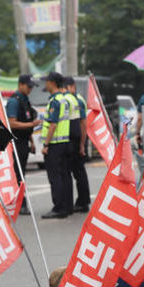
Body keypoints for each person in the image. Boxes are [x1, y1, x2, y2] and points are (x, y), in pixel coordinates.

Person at [6, 74, 42, 215]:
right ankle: (20, 204)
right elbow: (12, 122)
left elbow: (27, 125)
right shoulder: (14, 101)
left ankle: (21, 202)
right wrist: (32, 124)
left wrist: (32, 141)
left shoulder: (25, 100)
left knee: (22, 174)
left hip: (24, 141)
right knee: (18, 174)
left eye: (32, 87)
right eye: (28, 86)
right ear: (20, 84)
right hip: (16, 142)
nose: (30, 89)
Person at [40, 72, 72, 219]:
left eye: (47, 81)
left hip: (55, 144)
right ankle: (66, 207)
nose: (45, 84)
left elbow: (53, 124)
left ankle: (58, 207)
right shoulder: (64, 100)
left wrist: (46, 144)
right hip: (64, 142)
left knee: (55, 177)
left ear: (52, 83)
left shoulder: (55, 101)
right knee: (63, 175)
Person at [62, 77, 91, 213]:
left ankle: (82, 202)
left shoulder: (76, 100)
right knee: (78, 172)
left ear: (72, 87)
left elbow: (83, 123)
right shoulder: (77, 99)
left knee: (77, 172)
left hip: (76, 140)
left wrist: (82, 145)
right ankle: (82, 201)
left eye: (66, 88)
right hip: (77, 140)